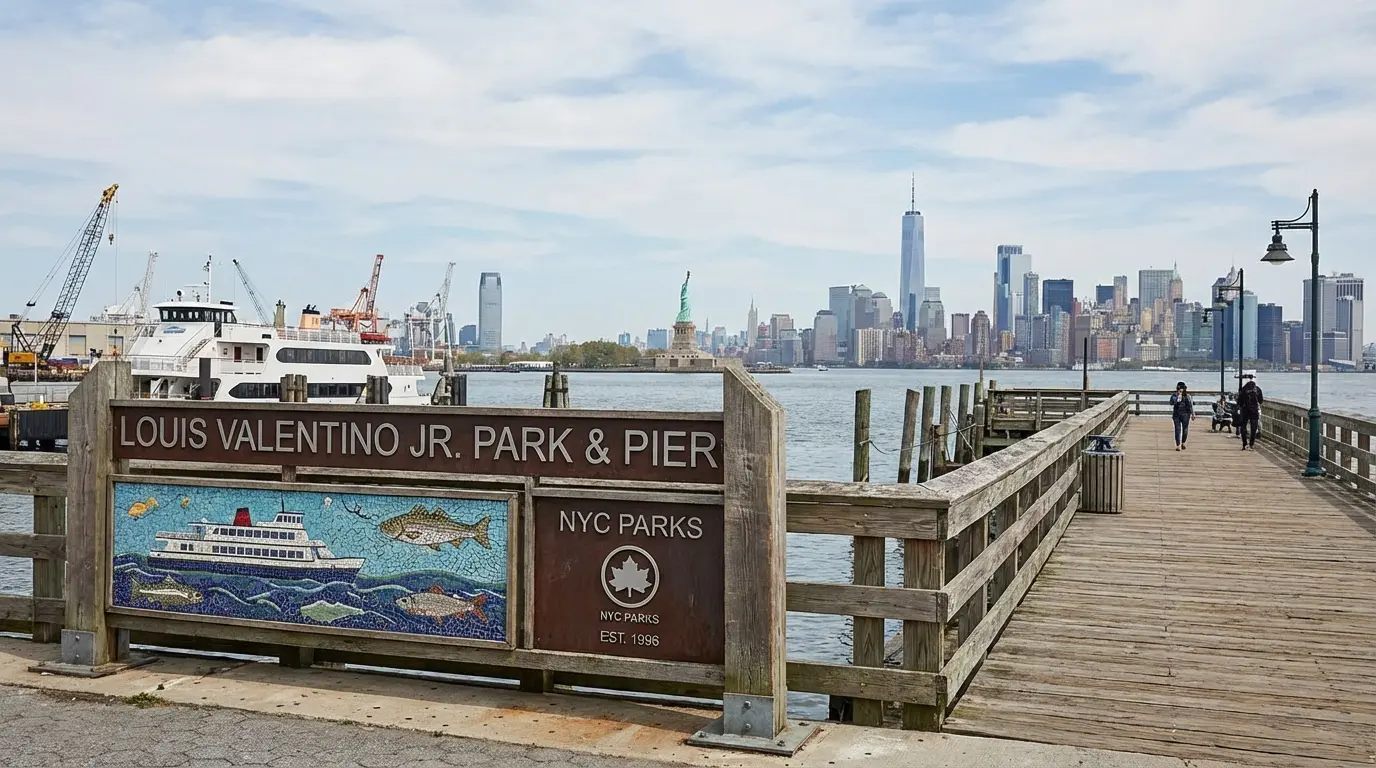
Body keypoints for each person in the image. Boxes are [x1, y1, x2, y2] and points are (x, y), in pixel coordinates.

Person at [1238, 376, 1264, 449]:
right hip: (1254, 410)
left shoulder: (1243, 389)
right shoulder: (1258, 389)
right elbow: (1261, 401)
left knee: (1243, 426)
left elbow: (1239, 402)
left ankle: (1244, 444)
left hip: (1245, 410)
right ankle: (1251, 444)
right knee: (1254, 427)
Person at [1169, 381, 1195, 450]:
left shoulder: (1188, 396)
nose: (1181, 390)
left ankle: (1183, 442)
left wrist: (1193, 414)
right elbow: (1171, 403)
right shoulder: (1174, 395)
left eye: (1182, 388)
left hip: (1186, 414)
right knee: (1177, 429)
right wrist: (1178, 396)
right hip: (1176, 414)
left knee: (1185, 429)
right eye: (1179, 388)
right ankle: (1178, 445)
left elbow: (1191, 405)